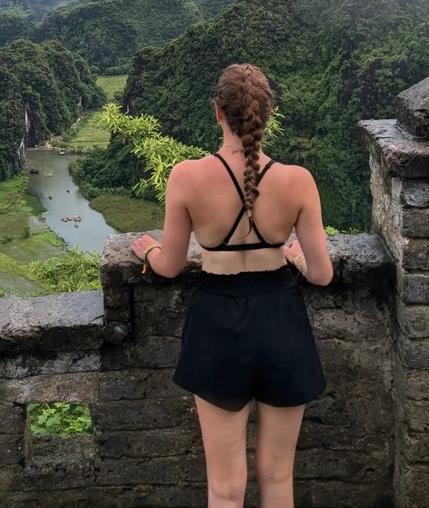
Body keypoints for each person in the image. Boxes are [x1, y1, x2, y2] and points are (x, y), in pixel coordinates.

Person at [131, 63, 333, 508]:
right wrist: (295, 255)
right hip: (282, 320)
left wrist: (146, 250)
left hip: (217, 322)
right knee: (278, 477)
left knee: (225, 488)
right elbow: (322, 275)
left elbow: (171, 265)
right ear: (269, 113)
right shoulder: (298, 181)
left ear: (217, 113)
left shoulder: (186, 176)